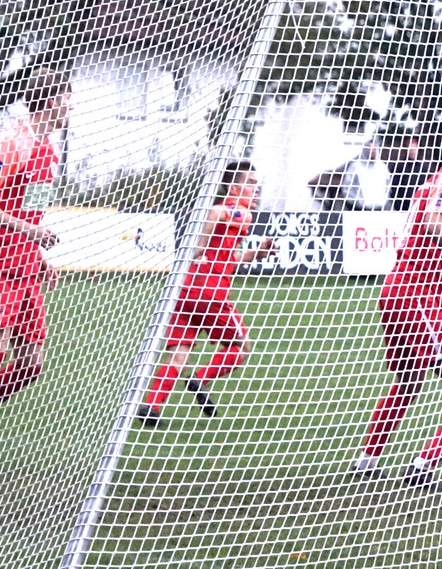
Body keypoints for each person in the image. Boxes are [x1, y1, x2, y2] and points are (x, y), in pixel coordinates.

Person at [0, 67, 73, 475]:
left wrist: (38, 255)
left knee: (32, 364)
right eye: (68, 100)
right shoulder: (11, 141)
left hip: (25, 265)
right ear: (51, 101)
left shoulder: (49, 152)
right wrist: (29, 232)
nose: (72, 107)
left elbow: (30, 213)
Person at [351, 121, 442, 485]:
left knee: (408, 384)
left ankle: (367, 458)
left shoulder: (428, 184)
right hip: (417, 297)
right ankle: (424, 463)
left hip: (399, 290)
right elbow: (433, 223)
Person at [135, 160, 275, 427]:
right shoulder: (241, 212)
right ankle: (200, 378)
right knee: (241, 346)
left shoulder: (233, 220)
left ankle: (151, 407)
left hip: (185, 290)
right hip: (210, 294)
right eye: (250, 183)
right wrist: (198, 246)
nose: (256, 189)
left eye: (256, 184)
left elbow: (229, 257)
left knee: (179, 354)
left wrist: (257, 253)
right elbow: (216, 212)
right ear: (233, 189)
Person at [309, 138, 391, 211]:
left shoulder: (382, 168)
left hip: (378, 210)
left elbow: (388, 186)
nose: (372, 151)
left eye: (374, 149)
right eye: (370, 149)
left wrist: (382, 201)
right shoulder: (355, 167)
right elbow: (347, 187)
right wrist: (354, 203)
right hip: (359, 210)